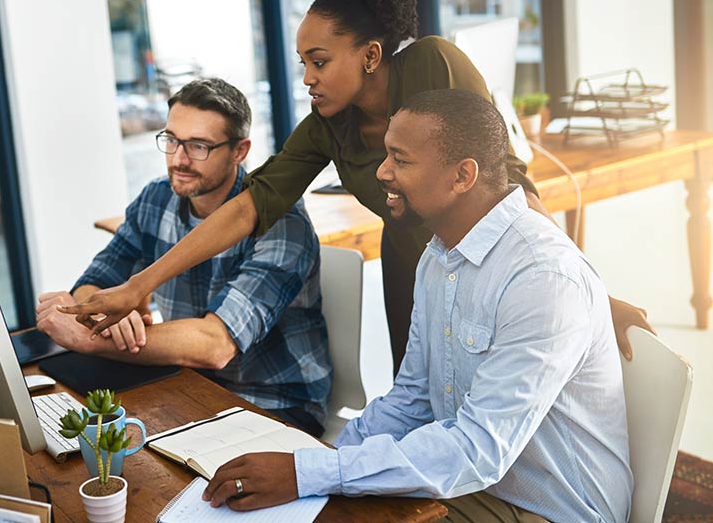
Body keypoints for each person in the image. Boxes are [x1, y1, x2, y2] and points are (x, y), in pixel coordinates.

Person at [59, 0, 651, 373]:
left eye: (320, 61)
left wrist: (589, 291)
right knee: (421, 404)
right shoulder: (325, 126)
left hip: (492, 260)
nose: (309, 78)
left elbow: (511, 188)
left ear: (370, 55)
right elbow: (246, 209)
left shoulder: (431, 67)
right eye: (303, 64)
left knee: (502, 406)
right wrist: (138, 285)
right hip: (414, 266)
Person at [202, 89, 632, 522]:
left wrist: (312, 473)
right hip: (473, 485)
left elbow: (478, 449)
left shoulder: (543, 278)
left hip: (551, 508)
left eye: (401, 160)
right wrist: (321, 461)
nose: (383, 173)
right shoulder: (440, 255)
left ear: (462, 176)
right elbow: (413, 399)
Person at [36, 78, 331, 437]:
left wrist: (90, 338)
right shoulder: (156, 198)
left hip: (272, 404)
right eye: (172, 140)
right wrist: (100, 314)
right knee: (76, 442)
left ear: (240, 151)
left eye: (199, 146)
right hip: (182, 383)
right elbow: (96, 279)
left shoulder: (281, 222)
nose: (179, 159)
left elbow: (214, 345)